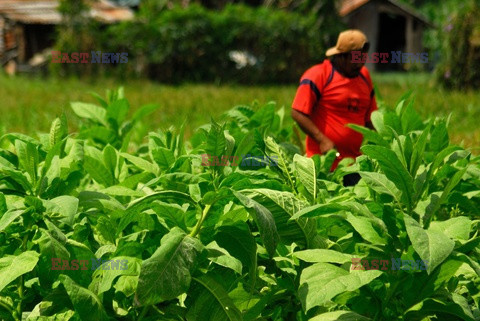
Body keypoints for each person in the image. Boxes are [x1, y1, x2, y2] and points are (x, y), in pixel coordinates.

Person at [291, 29, 378, 186]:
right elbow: (297, 112)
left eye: (363, 58)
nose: (360, 64)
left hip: (354, 166)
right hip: (322, 164)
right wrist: (322, 140)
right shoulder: (319, 75)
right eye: (355, 59)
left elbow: (371, 119)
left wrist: (383, 146)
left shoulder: (364, 76)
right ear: (341, 57)